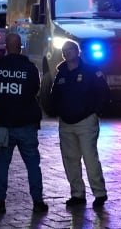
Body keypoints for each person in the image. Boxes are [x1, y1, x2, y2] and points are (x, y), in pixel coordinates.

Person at [0, 32, 48, 214]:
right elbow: (35, 89)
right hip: (26, 123)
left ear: (6, 46)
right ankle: (38, 202)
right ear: (20, 46)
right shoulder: (29, 68)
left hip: (5, 124)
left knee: (2, 165)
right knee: (32, 165)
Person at [49, 40, 111, 208]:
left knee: (90, 159)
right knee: (70, 160)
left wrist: (96, 111)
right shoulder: (61, 73)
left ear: (78, 52)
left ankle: (99, 193)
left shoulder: (91, 71)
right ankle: (77, 194)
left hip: (86, 121)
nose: (67, 53)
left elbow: (103, 92)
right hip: (66, 123)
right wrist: (56, 111)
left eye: (70, 50)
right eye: (64, 51)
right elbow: (54, 95)